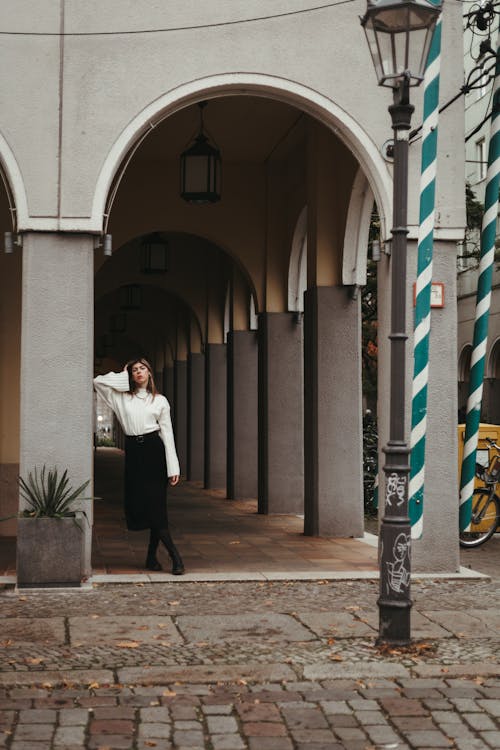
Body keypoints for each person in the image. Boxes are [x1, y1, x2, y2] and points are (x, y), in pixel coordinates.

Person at [93, 358, 184, 575]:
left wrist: (173, 467)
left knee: (157, 507)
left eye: (142, 368)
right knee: (143, 505)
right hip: (134, 454)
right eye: (134, 370)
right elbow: (98, 382)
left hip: (155, 452)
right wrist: (123, 375)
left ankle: (175, 557)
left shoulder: (160, 401)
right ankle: (151, 558)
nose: (139, 372)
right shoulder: (122, 399)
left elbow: (167, 434)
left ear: (150, 373)